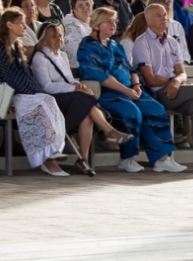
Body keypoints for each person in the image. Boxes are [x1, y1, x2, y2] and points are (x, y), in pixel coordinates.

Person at [78, 6, 181, 173]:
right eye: (109, 21)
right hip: (107, 93)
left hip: (129, 89)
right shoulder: (87, 45)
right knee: (132, 112)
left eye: (115, 21)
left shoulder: (114, 45)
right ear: (96, 23)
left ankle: (162, 158)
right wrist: (126, 91)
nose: (114, 24)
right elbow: (99, 74)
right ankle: (127, 158)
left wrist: (136, 85)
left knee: (155, 108)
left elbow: (131, 69)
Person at [130, 1, 193, 173]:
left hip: (175, 90)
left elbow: (182, 73)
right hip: (157, 94)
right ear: (148, 20)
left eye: (165, 15)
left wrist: (176, 81)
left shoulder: (172, 42)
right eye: (158, 16)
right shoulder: (141, 42)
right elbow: (150, 79)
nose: (164, 18)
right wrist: (172, 82)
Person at [31, 20, 128, 177]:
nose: (59, 39)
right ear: (43, 39)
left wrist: (78, 85)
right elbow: (46, 86)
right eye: (53, 36)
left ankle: (82, 159)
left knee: (87, 116)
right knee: (85, 100)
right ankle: (109, 130)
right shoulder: (39, 58)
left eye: (60, 36)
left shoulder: (62, 55)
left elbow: (69, 79)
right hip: (52, 98)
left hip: (70, 95)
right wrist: (73, 88)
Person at [0, 7, 70, 176]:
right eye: (21, 23)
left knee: (49, 100)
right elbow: (6, 77)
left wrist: (34, 91)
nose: (25, 26)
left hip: (25, 92)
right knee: (44, 101)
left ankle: (54, 148)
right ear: (9, 25)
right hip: (11, 95)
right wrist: (31, 92)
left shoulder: (17, 46)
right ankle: (46, 153)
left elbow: (25, 74)